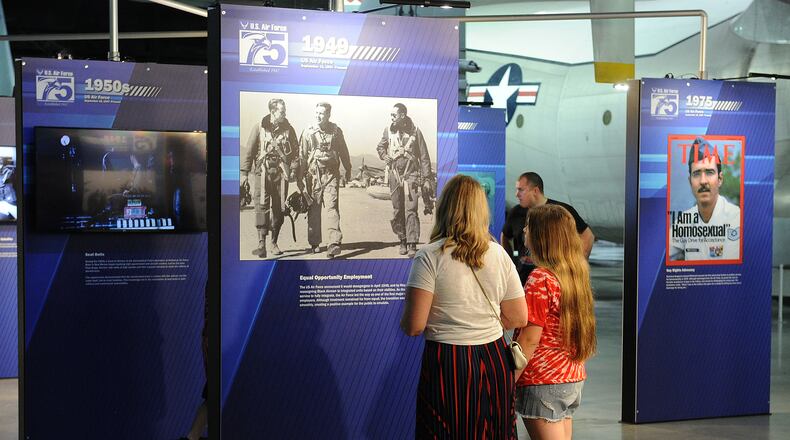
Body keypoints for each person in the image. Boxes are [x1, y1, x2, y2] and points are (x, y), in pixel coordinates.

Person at [400, 174, 528, 439]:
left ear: (444, 207)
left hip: (447, 362)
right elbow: (518, 317)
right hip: (493, 358)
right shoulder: (498, 254)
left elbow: (414, 326)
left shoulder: (429, 256)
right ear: (482, 209)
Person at [514, 204, 597, 440]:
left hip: (543, 382)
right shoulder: (575, 274)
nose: (524, 230)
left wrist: (508, 381)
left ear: (542, 235)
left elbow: (529, 339)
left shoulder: (540, 278)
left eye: (529, 226)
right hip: (571, 378)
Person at [501, 172, 595, 282]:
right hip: (523, 279)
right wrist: (512, 261)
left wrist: (576, 267)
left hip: (556, 280)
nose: (517, 194)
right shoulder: (516, 212)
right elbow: (505, 236)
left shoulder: (559, 212)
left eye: (521, 190)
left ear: (535, 190)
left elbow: (588, 236)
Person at [240, 98, 299, 258]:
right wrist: (244, 174)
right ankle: (261, 244)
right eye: (282, 111)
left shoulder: (289, 129)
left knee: (279, 209)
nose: (285, 113)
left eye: (285, 110)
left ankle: (274, 242)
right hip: (262, 173)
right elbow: (250, 151)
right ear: (273, 111)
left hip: (281, 174)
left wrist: (293, 169)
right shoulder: (259, 127)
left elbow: (296, 153)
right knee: (261, 207)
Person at [669, 138, 740, 261]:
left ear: (720, 179)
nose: (703, 181)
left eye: (709, 172)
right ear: (690, 181)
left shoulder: (736, 217)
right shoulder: (685, 220)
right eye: (696, 174)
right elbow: (660, 255)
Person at [376, 103, 432, 258]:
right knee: (397, 209)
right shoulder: (388, 130)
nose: (392, 118)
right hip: (394, 175)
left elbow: (424, 156)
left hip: (411, 175)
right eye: (391, 115)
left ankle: (412, 243)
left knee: (411, 209)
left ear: (402, 115)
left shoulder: (415, 131)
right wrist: (384, 155)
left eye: (394, 115)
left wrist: (427, 178)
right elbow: (380, 147)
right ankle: (402, 239)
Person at [299, 102, 352, 259]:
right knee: (314, 210)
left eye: (322, 113)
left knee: (332, 208)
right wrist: (300, 177)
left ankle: (333, 243)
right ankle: (314, 242)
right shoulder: (308, 132)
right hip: (313, 176)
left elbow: (344, 151)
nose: (318, 115)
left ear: (329, 115)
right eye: (316, 112)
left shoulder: (336, 132)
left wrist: (348, 168)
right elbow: (302, 155)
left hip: (331, 175)